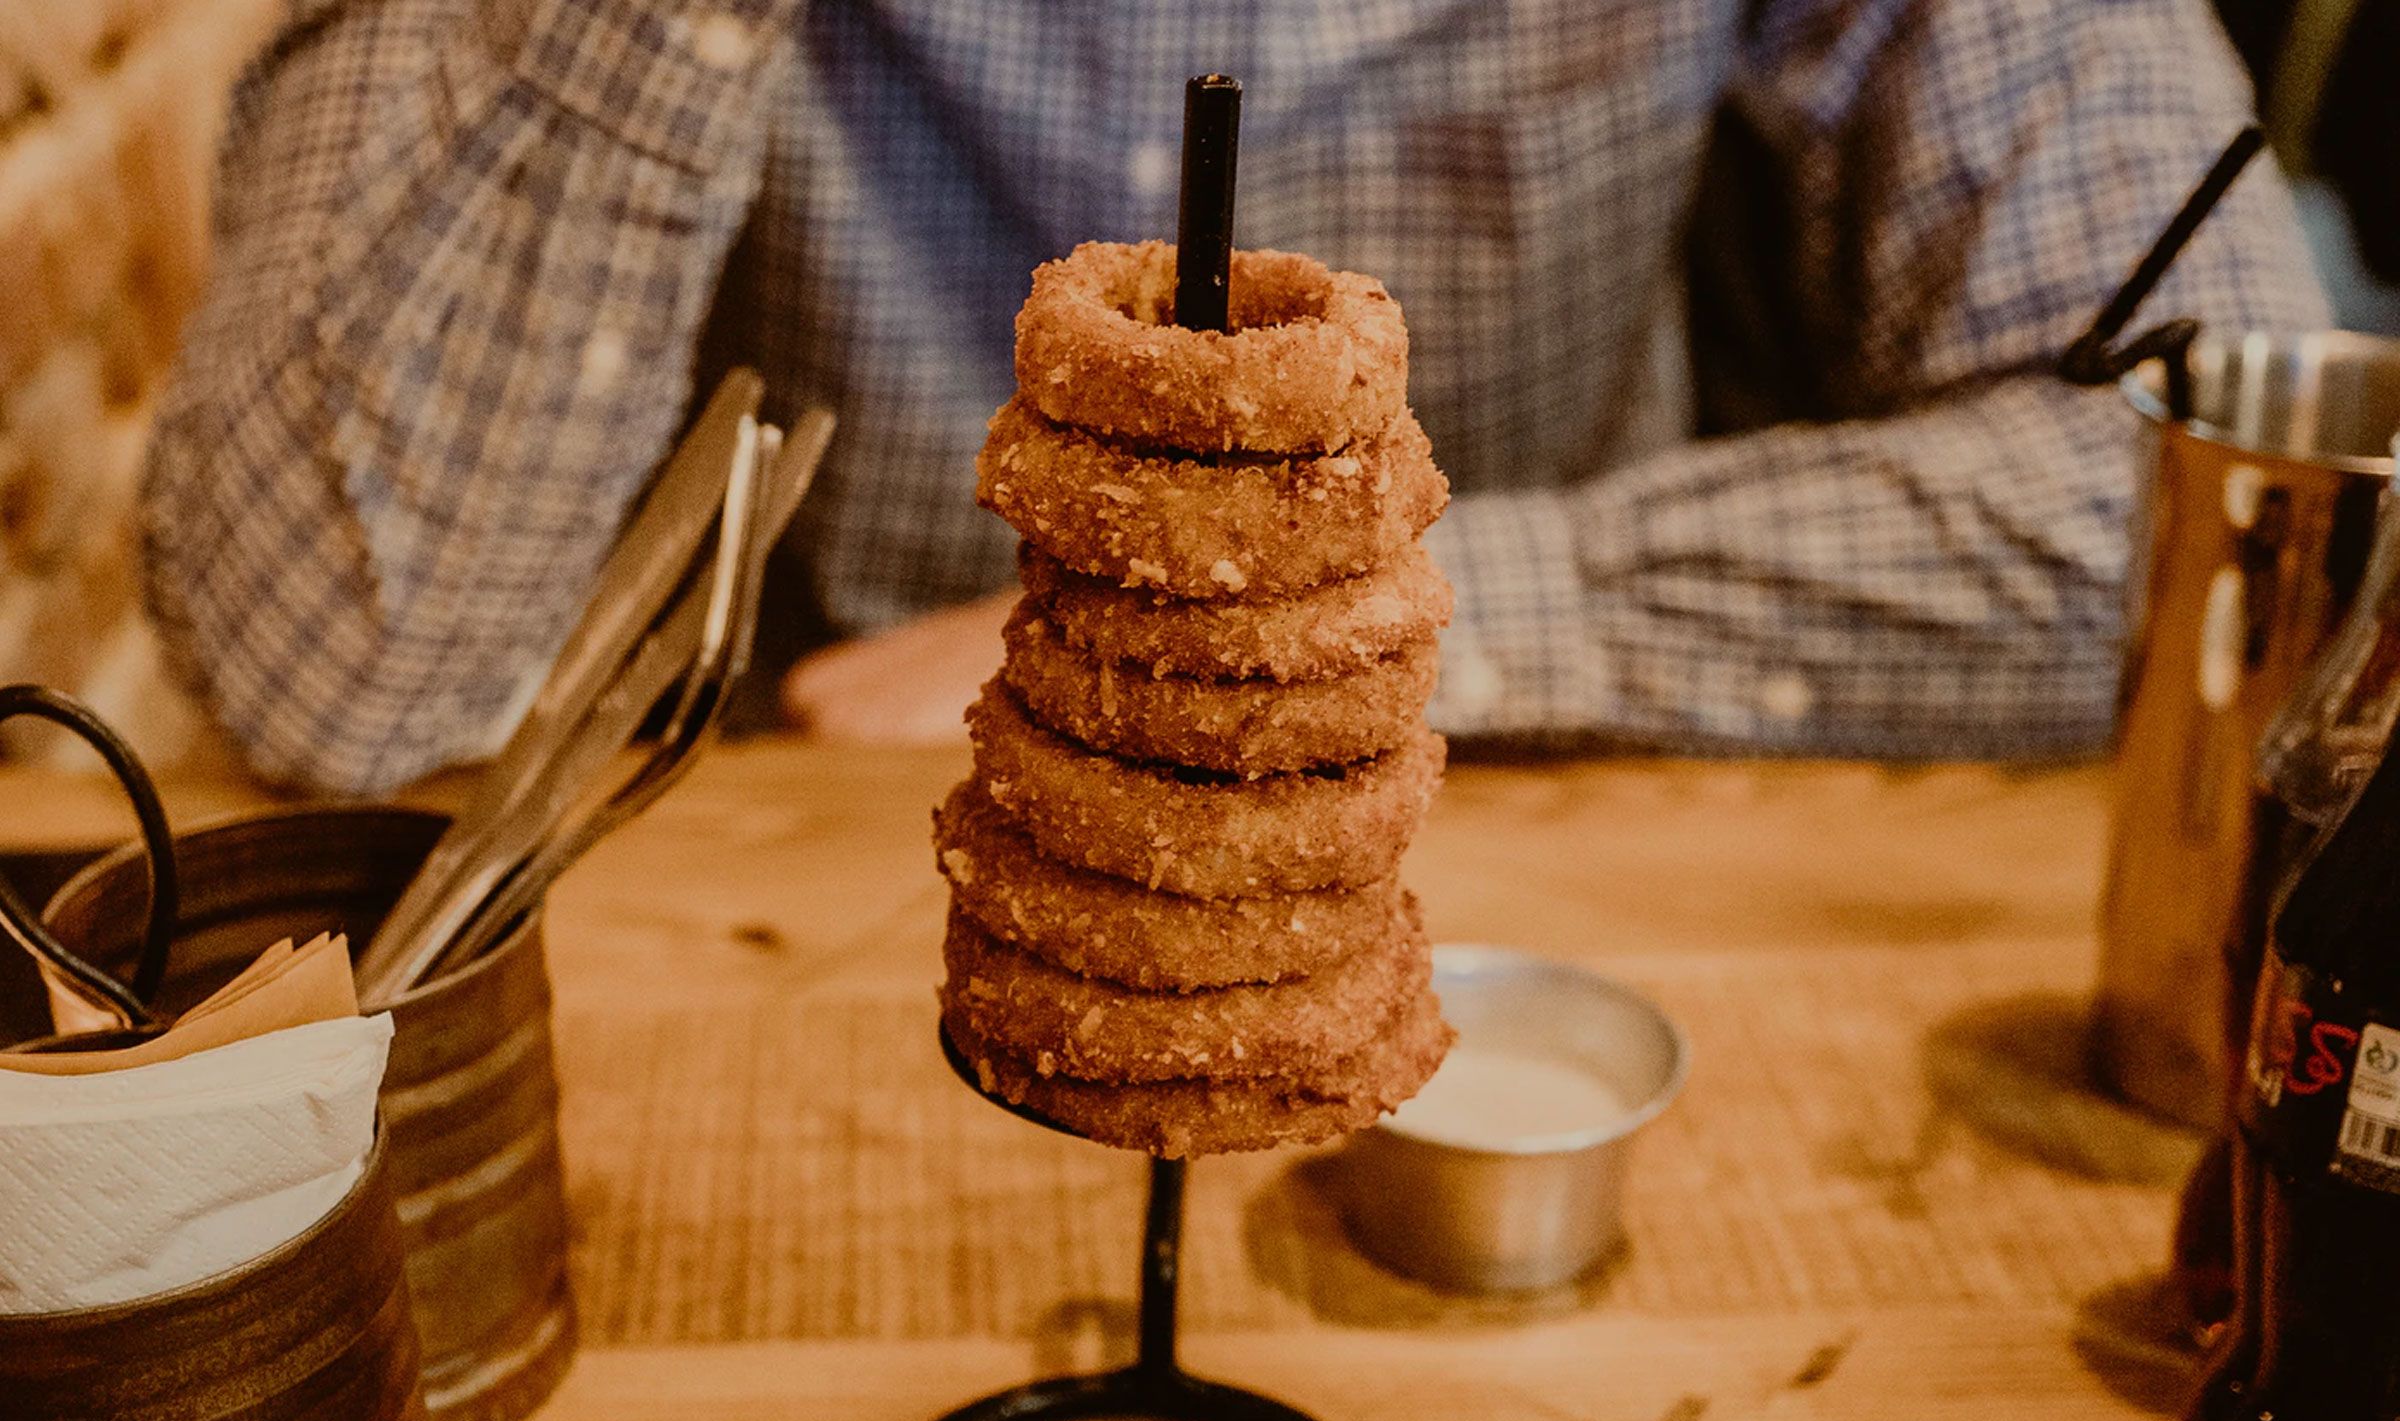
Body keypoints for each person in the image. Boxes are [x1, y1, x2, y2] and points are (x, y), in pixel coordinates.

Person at [146, 0, 2325, 795]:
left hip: (1549, 842)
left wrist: (1376, 627)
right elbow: (333, 677)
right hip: (838, 863)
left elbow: (2223, 506)